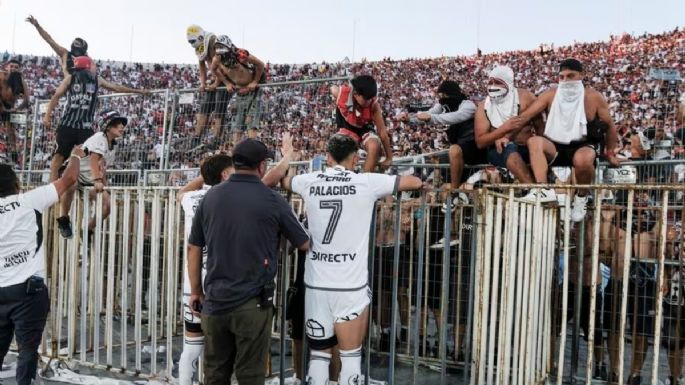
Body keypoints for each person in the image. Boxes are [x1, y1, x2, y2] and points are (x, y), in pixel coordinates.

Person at [278, 134, 424, 385]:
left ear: (328, 157)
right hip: (350, 286)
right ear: (355, 158)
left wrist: (287, 155)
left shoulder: (308, 181)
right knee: (350, 358)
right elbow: (413, 181)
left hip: (316, 285)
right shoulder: (366, 182)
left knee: (319, 358)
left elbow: (285, 181)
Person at [187, 138, 310, 385]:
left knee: (214, 374)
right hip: (252, 303)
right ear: (262, 166)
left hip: (214, 300)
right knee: (250, 375)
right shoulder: (273, 200)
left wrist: (196, 292)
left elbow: (193, 246)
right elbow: (304, 243)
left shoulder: (209, 198)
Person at [0, 145, 84, 385]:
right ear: (16, 185)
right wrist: (77, 154)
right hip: (28, 291)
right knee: (27, 349)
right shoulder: (29, 200)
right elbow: (69, 178)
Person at [510, 58, 620, 221]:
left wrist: (610, 153)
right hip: (554, 144)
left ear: (581, 75)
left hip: (582, 144)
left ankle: (581, 197)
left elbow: (610, 125)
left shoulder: (593, 96)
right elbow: (525, 117)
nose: (565, 80)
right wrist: (505, 137)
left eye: (570, 76)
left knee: (583, 160)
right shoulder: (550, 94)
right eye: (561, 77)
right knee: (534, 142)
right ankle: (543, 190)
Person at [43, 55, 147, 190]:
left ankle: (93, 185)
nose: (79, 73)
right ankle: (52, 188)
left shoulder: (97, 80)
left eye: (80, 70)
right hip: (68, 124)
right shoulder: (70, 78)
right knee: (58, 156)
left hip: (85, 126)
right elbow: (56, 95)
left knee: (93, 155)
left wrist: (138, 91)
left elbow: (116, 87)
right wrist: (47, 116)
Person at [178, 154, 234, 385]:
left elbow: (180, 192)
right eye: (232, 171)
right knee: (226, 348)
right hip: (222, 282)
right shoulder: (232, 197)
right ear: (224, 174)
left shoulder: (191, 198)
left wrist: (203, 175)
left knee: (192, 343)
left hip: (192, 283)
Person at [55, 110, 128, 238]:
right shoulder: (100, 137)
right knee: (71, 184)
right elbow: (94, 160)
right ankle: (64, 219)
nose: (122, 126)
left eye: (122, 123)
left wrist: (104, 186)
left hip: (90, 179)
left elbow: (102, 167)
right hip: (75, 171)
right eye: (117, 123)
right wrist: (97, 181)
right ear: (108, 126)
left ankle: (88, 229)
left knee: (107, 205)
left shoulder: (113, 146)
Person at [401, 80, 484, 191]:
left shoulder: (468, 105)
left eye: (444, 95)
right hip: (460, 146)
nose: (442, 98)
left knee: (453, 150)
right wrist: (409, 119)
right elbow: (429, 114)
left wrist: (432, 119)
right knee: (434, 159)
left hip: (473, 147)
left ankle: (454, 191)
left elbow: (455, 117)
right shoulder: (443, 106)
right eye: (440, 96)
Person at [474, 65, 541, 183]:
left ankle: (541, 189)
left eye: (498, 82)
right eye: (490, 82)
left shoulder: (526, 97)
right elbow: (480, 142)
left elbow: (540, 128)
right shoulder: (483, 107)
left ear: (508, 83)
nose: (493, 86)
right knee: (509, 148)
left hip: (526, 149)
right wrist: (504, 129)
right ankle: (534, 191)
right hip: (499, 152)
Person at [211, 34, 266, 144]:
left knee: (251, 122)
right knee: (237, 124)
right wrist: (226, 83)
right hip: (239, 92)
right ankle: (236, 152)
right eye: (217, 48)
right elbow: (213, 70)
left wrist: (255, 81)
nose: (219, 50)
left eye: (221, 47)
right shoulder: (217, 58)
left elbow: (260, 64)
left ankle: (252, 149)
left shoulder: (241, 54)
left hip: (252, 91)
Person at [331, 75, 393, 172]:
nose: (369, 101)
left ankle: (365, 178)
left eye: (371, 98)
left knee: (374, 146)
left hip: (364, 127)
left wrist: (389, 157)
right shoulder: (342, 94)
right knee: (341, 147)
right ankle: (346, 178)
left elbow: (382, 132)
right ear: (356, 94)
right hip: (347, 127)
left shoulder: (374, 105)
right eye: (366, 99)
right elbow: (333, 88)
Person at [186, 25, 232, 138]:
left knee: (219, 105)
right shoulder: (200, 47)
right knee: (205, 105)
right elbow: (202, 67)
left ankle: (217, 136)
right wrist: (203, 83)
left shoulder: (212, 40)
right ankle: (197, 135)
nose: (191, 43)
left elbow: (218, 65)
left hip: (226, 75)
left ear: (200, 38)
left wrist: (216, 83)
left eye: (193, 41)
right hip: (216, 75)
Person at [25, 15, 95, 76]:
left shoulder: (88, 60)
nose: (74, 46)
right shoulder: (65, 53)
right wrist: (38, 26)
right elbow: (49, 40)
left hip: (83, 85)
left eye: (77, 45)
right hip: (68, 84)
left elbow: (93, 74)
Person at [0, 58, 29, 161]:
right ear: (6, 67)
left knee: (10, 129)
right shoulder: (1, 76)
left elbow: (26, 100)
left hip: (9, 107)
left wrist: (16, 109)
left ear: (19, 69)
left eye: (16, 67)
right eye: (11, 66)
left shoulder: (20, 80)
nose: (13, 69)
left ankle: (13, 152)